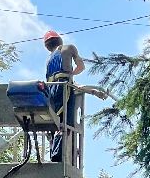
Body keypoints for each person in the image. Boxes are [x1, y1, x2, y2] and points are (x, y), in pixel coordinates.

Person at [42, 30, 109, 162]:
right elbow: (81, 67)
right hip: (64, 89)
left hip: (51, 91)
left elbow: (74, 85)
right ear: (60, 41)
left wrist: (94, 92)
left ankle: (57, 153)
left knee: (54, 123)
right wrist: (71, 73)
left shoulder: (48, 60)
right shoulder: (69, 48)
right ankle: (59, 156)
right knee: (67, 123)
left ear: (47, 46)